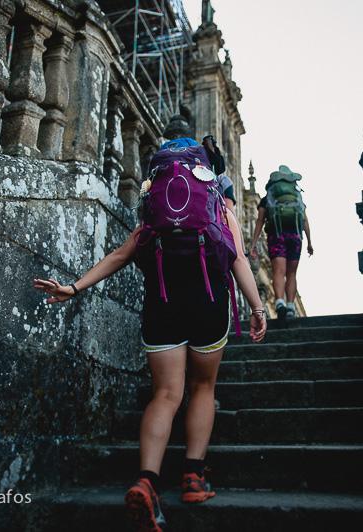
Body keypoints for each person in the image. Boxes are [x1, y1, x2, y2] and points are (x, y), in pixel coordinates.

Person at [32, 138, 267, 532]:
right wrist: (257, 309)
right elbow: (238, 259)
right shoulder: (218, 205)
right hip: (208, 304)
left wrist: (73, 288)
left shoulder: (154, 205)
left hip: (162, 304)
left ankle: (146, 480)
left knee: (165, 394)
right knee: (203, 388)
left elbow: (121, 254)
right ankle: (193, 478)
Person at [249, 165, 313, 319]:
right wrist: (310, 242)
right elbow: (304, 220)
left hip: (276, 236)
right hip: (295, 236)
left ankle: (279, 303)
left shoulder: (268, 198)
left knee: (278, 271)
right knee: (292, 273)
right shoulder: (296, 196)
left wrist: (253, 243)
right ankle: (290, 307)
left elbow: (259, 221)